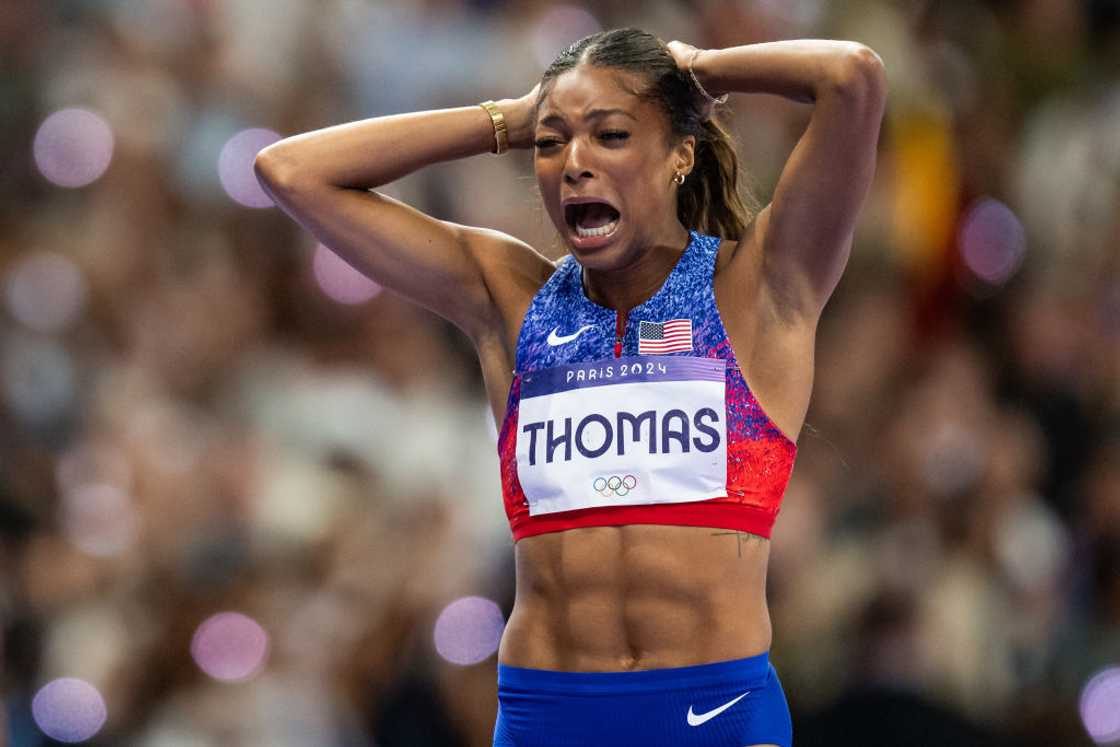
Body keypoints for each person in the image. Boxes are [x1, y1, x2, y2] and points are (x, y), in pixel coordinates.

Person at [255, 27, 886, 747]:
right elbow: (290, 170)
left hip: (714, 711)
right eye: (552, 145)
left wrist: (697, 72)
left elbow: (852, 76)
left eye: (611, 134)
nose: (576, 163)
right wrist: (510, 119)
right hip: (548, 714)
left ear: (681, 151)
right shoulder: (510, 296)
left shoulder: (759, 287)